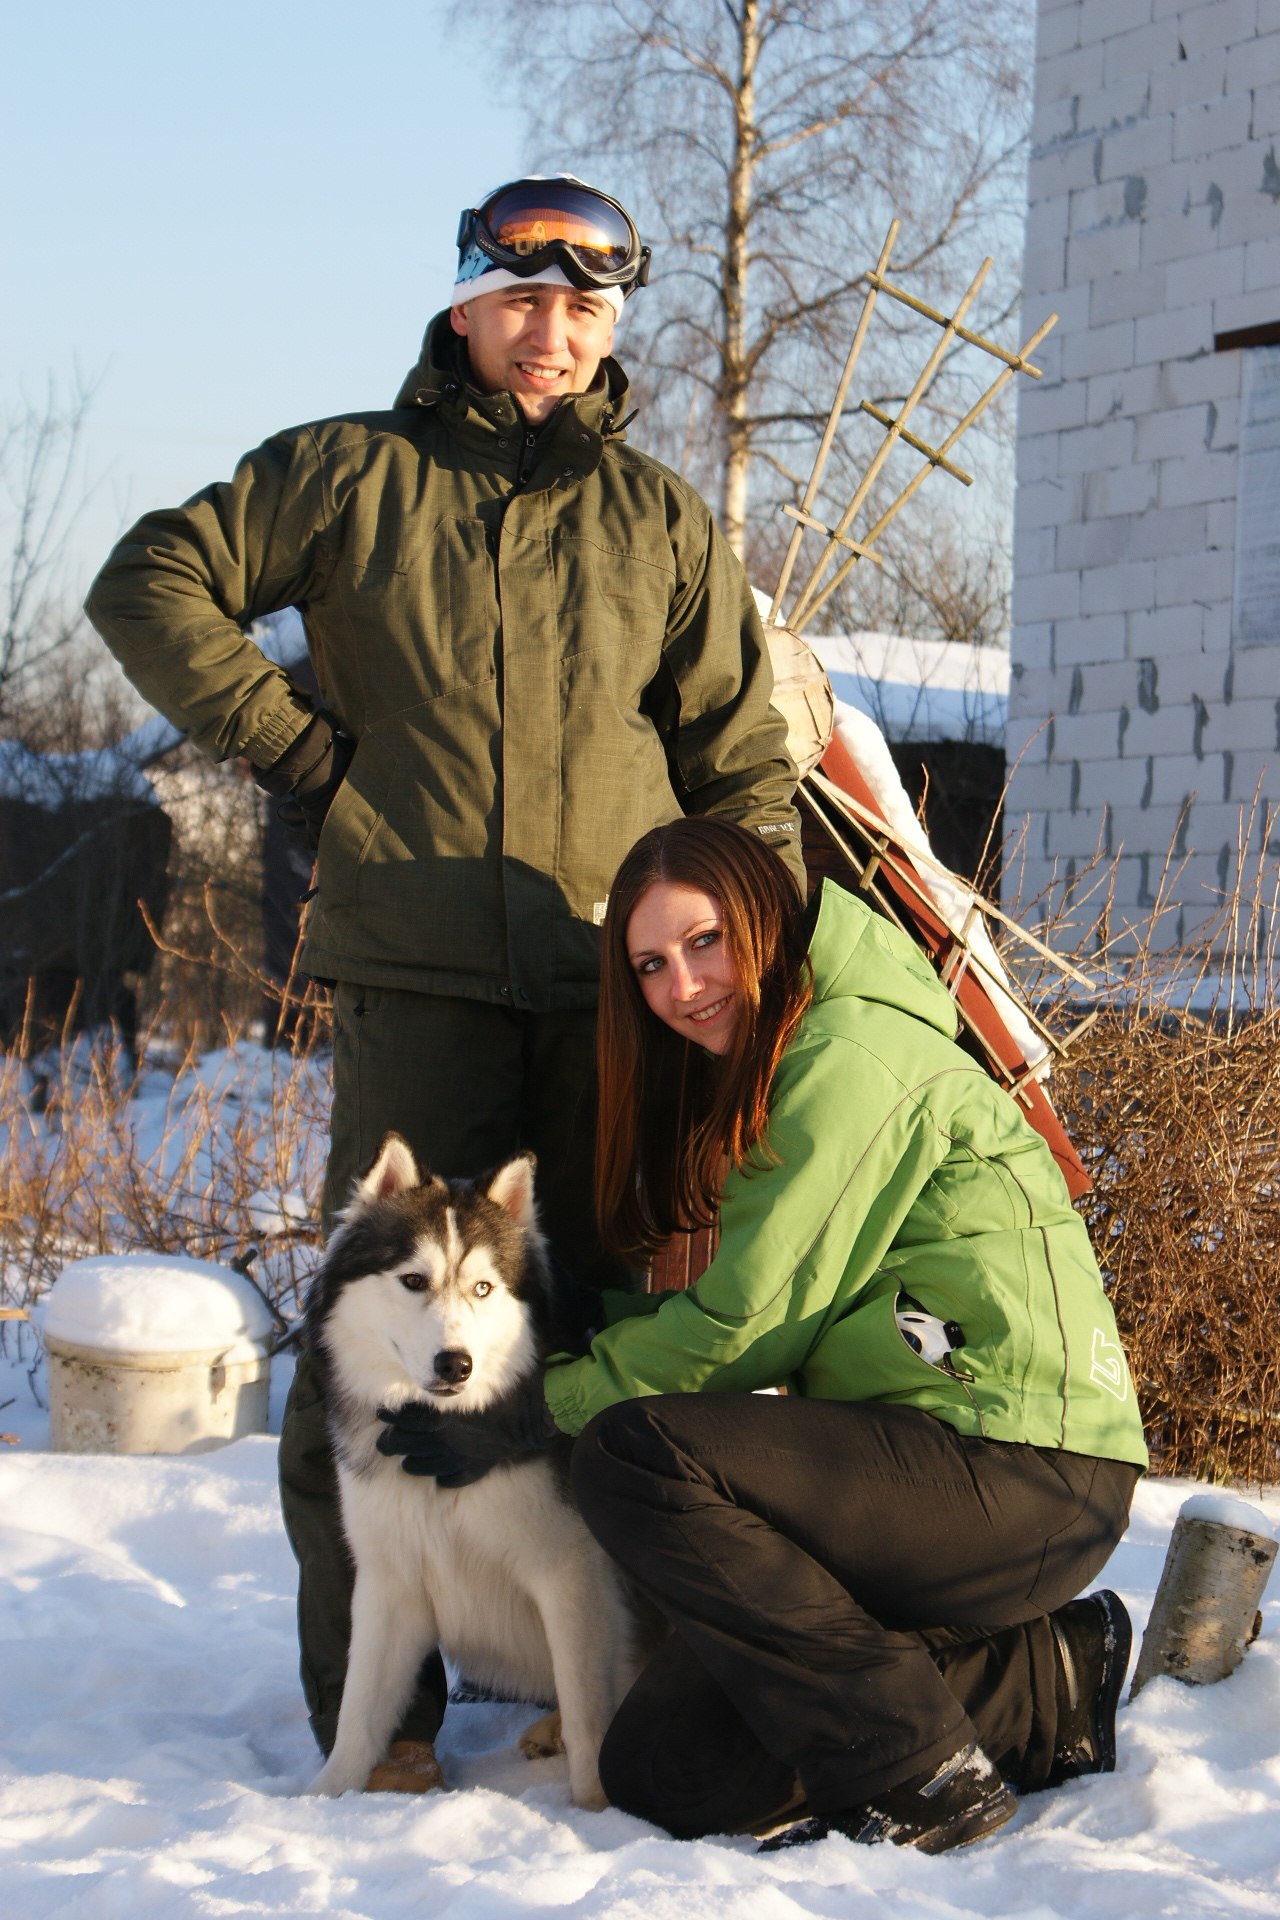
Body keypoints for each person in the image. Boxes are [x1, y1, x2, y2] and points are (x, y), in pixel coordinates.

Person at [83, 178, 803, 1786]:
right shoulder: (349, 475)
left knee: (616, 1328)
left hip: (619, 997)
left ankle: (607, 1682)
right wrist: (300, 753)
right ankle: (384, 1715)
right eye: (524, 301)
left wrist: (747, 941)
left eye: (589, 310)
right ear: (467, 302)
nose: (554, 336)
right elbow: (147, 582)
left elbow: (746, 759)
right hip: (417, 984)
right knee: (376, 1332)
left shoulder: (661, 521)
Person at [378, 815, 1149, 1852]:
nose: (682, 986)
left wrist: (536, 1408)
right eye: (650, 964)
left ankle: (918, 1777)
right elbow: (741, 1313)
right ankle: (1040, 1679)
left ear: (763, 915)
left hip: (1020, 1466)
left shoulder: (849, 1054)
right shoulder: (775, 1058)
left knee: (631, 1453)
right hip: (916, 1475)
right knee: (661, 1770)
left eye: (704, 942)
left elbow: (745, 1323)